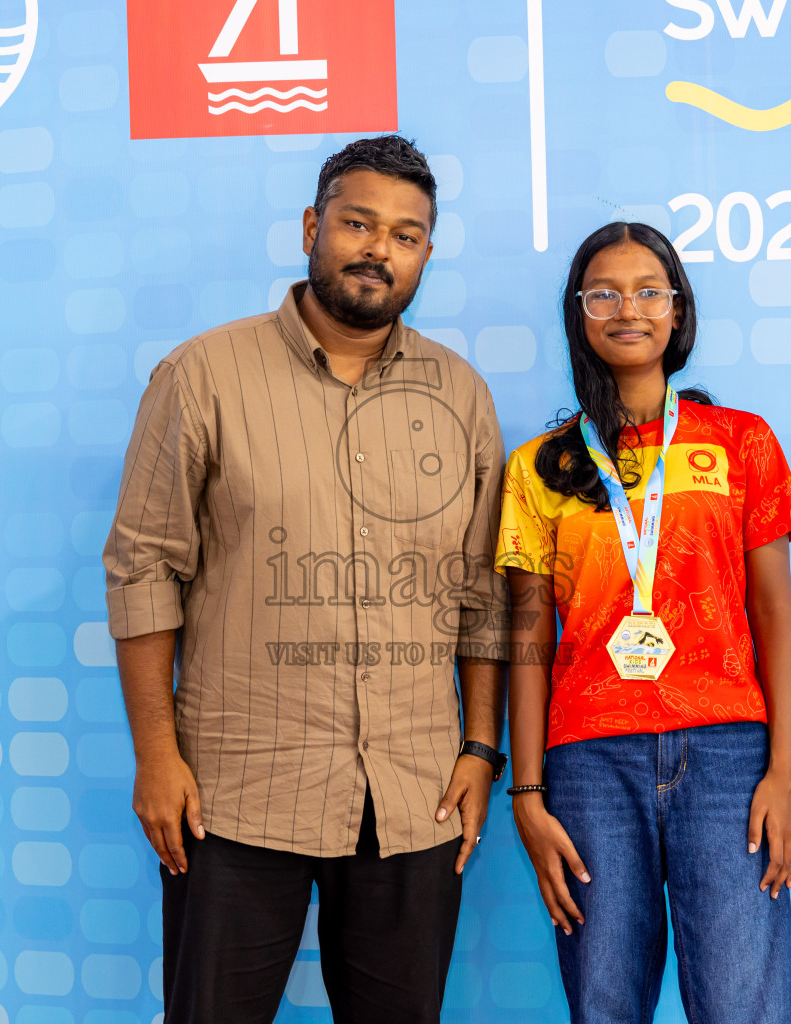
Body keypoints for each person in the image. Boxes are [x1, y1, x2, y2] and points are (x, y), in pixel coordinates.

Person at [103, 135, 510, 1024]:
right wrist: (156, 758)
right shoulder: (203, 376)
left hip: (412, 793)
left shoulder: (463, 396)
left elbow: (482, 598)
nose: (378, 249)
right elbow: (143, 569)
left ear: (426, 256)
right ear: (310, 228)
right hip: (233, 793)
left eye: (406, 235)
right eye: (358, 222)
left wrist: (481, 749)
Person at [495, 222, 791, 1024]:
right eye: (603, 292)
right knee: (605, 1002)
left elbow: (772, 609)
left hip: (729, 754)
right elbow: (527, 641)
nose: (626, 308)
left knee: (745, 1004)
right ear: (578, 313)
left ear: (678, 312)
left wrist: (785, 767)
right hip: (589, 764)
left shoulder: (742, 441)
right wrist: (527, 796)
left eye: (648, 291)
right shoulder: (538, 467)